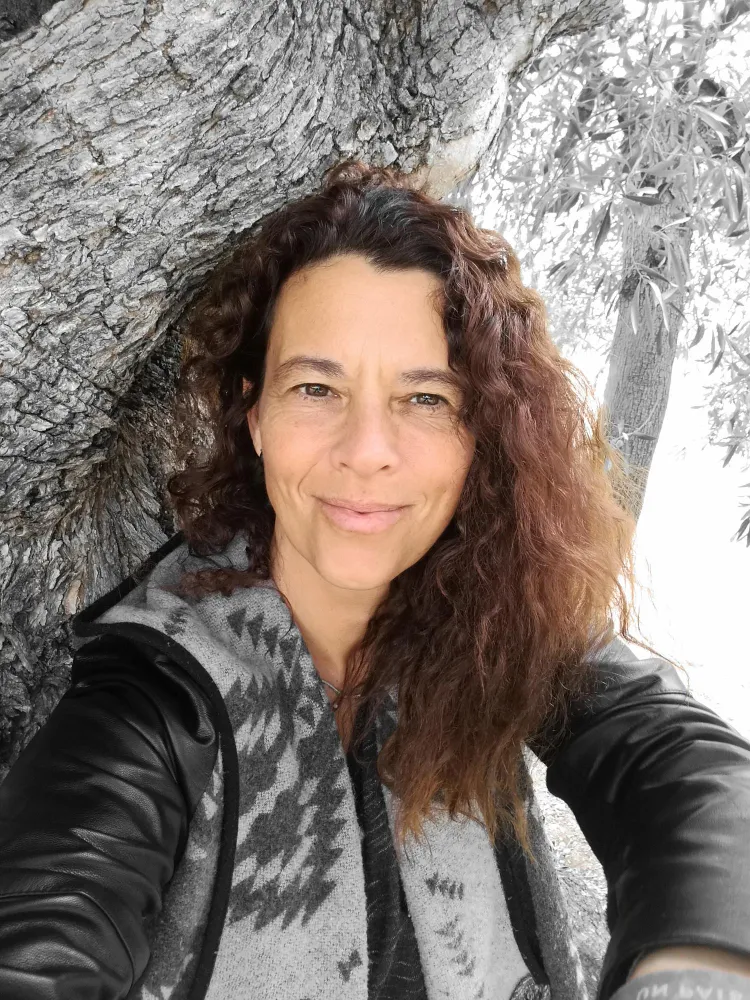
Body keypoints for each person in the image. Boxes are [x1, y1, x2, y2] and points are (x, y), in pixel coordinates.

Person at [0, 159, 749, 1000]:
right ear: (255, 416)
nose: (366, 450)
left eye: (425, 398)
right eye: (316, 387)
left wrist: (702, 960)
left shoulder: (491, 605)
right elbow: (48, 918)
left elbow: (679, 762)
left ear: (481, 433)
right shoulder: (156, 691)